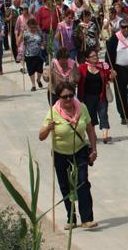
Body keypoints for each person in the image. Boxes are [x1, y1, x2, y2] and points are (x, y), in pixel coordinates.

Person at [39, 81, 98, 229]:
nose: (68, 99)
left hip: (80, 151)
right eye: (64, 97)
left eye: (71, 95)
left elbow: (90, 130)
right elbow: (41, 136)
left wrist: (94, 149)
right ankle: (71, 219)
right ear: (58, 97)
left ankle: (87, 219)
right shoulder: (53, 112)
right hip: (61, 153)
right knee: (65, 185)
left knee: (82, 182)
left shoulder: (82, 108)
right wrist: (48, 128)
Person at [78, 49, 115, 144]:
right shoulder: (82, 68)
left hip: (101, 95)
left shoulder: (103, 66)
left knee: (103, 114)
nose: (95, 57)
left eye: (96, 55)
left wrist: (112, 75)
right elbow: (78, 79)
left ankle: (105, 136)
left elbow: (108, 78)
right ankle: (93, 135)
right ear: (87, 58)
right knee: (91, 116)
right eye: (92, 56)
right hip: (87, 97)